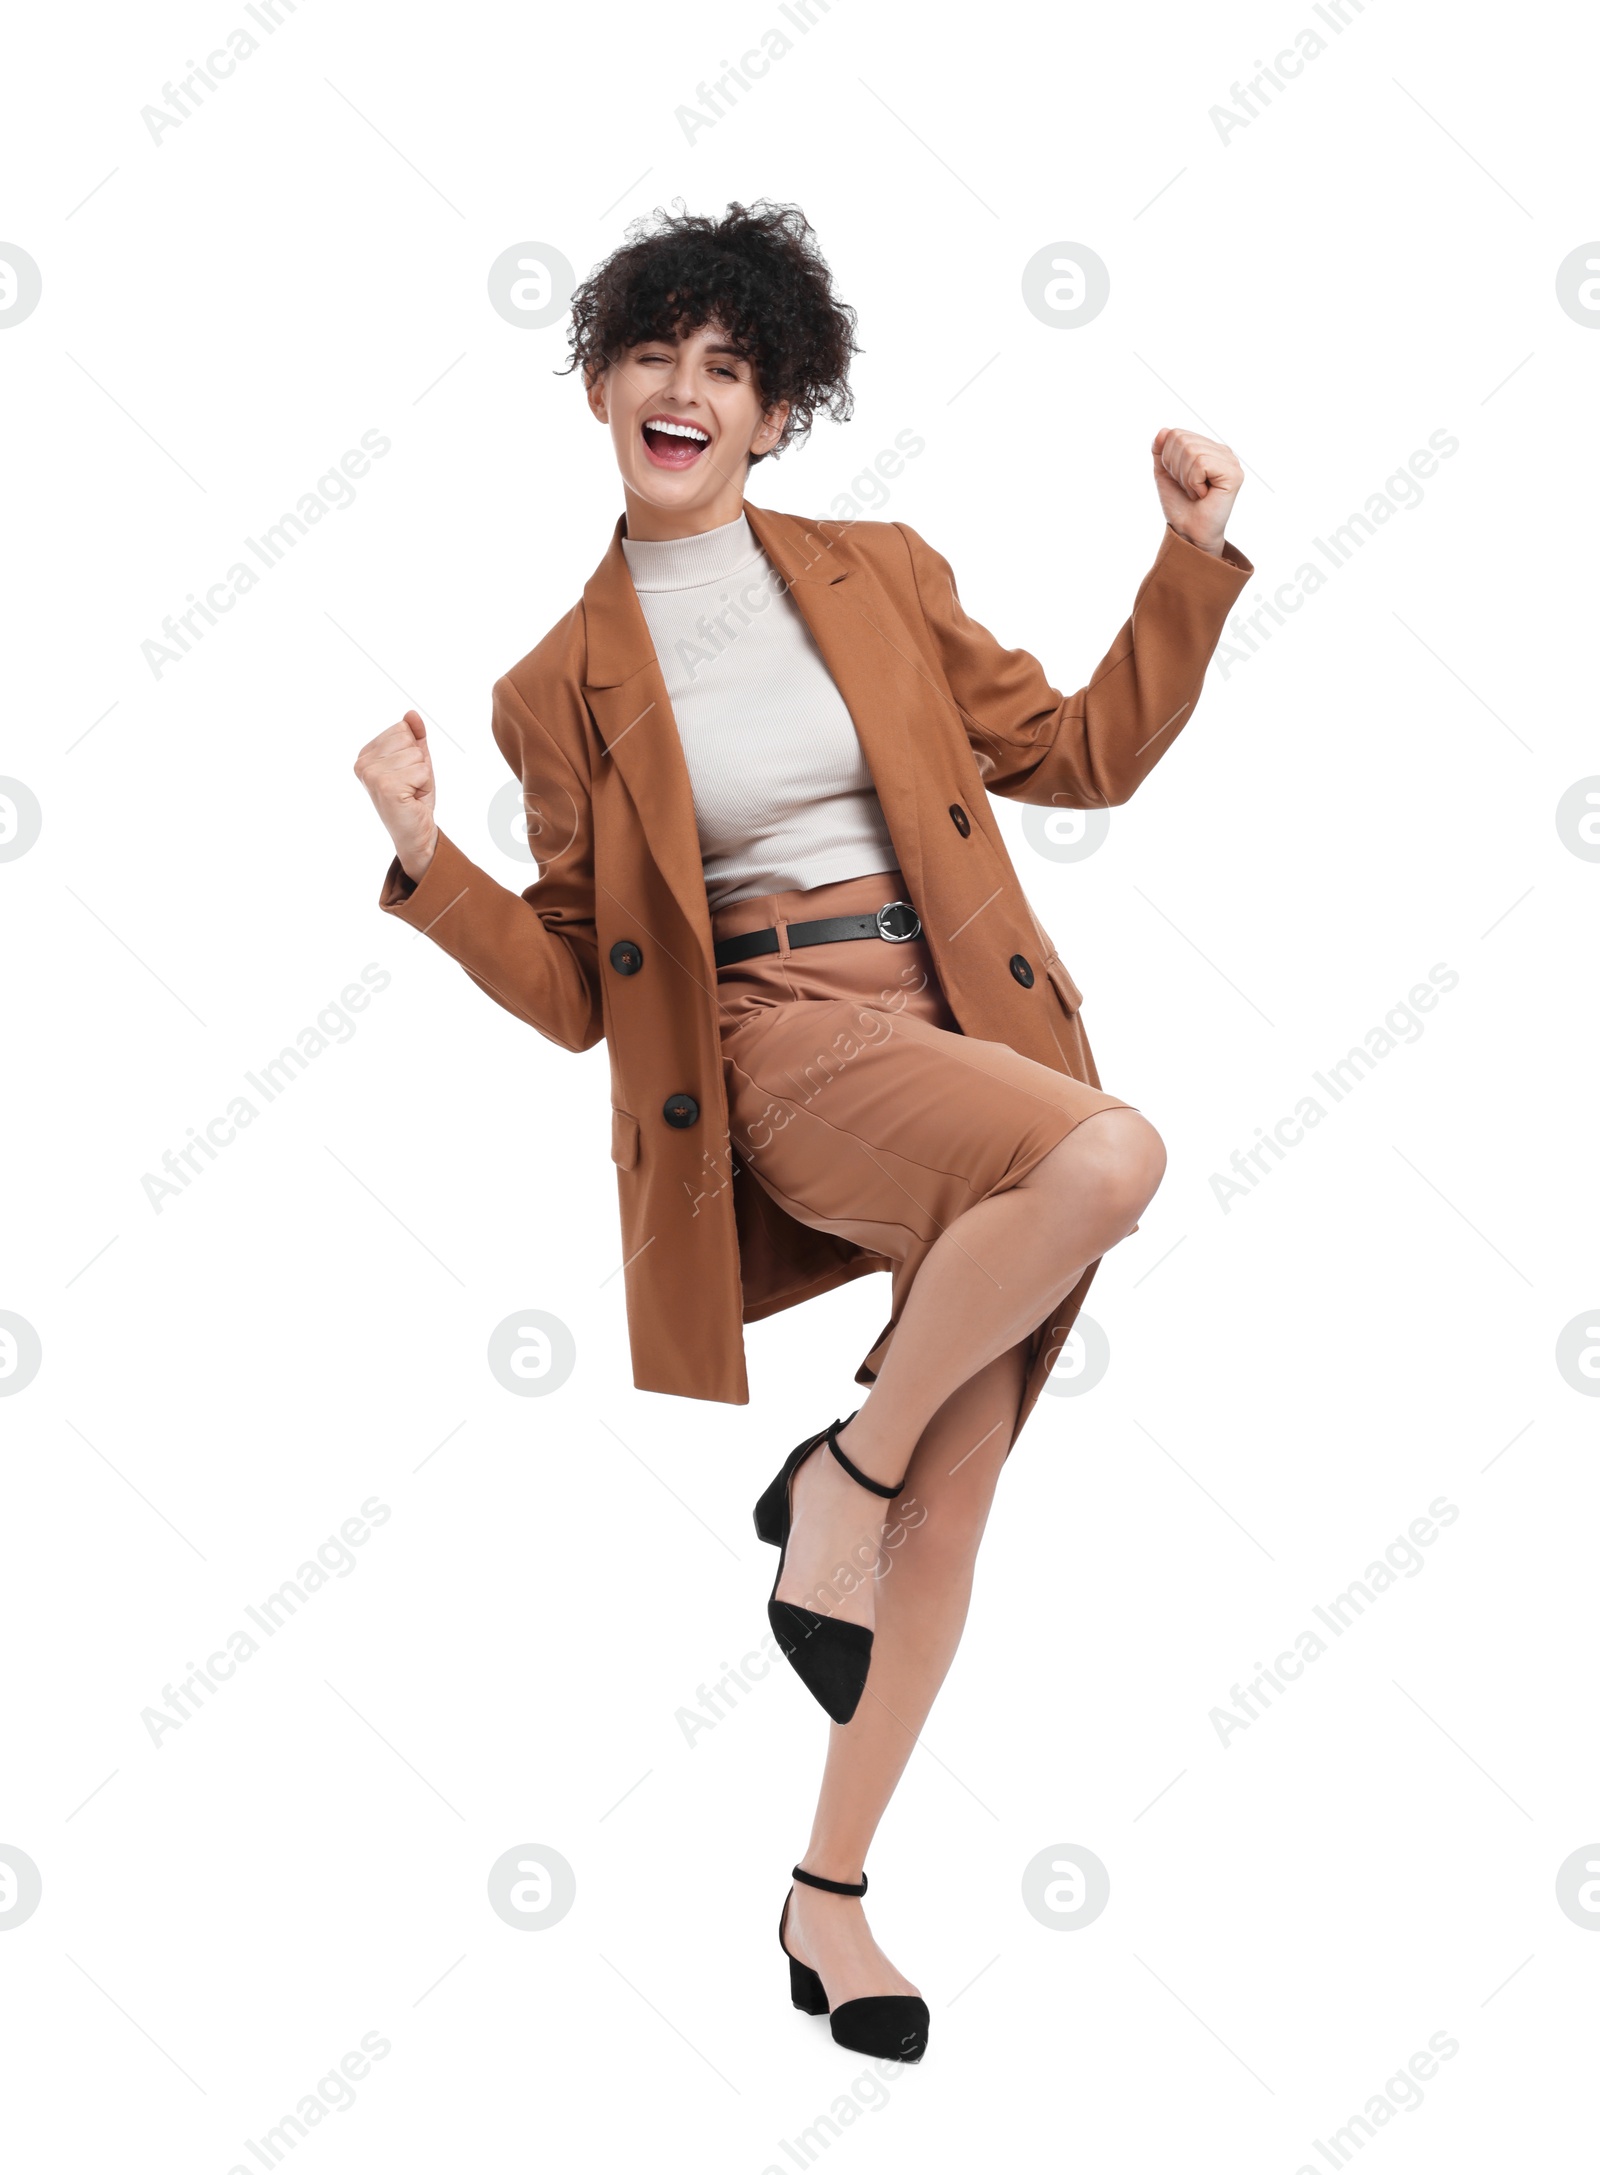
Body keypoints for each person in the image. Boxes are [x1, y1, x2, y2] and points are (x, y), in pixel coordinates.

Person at [354, 200, 1251, 2064]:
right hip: (780, 1050)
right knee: (1113, 1158)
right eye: (651, 356)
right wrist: (430, 864)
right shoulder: (554, 689)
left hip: (973, 1041)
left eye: (728, 367)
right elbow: (581, 985)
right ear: (598, 385)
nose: (683, 391)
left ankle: (825, 1897)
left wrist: (1188, 556)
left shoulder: (880, 572)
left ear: (777, 415)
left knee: (950, 1510)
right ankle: (836, 1478)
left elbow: (1076, 757)